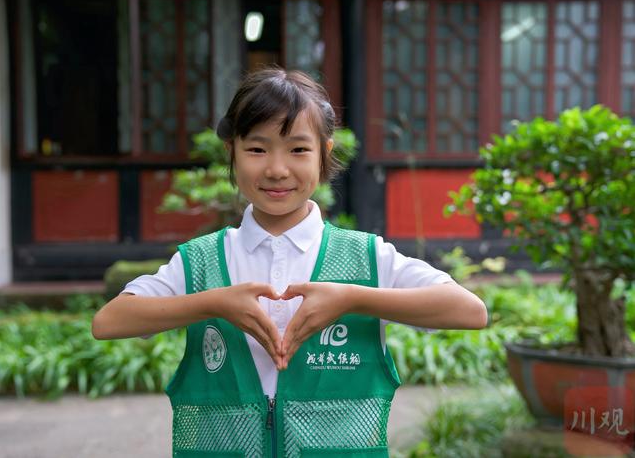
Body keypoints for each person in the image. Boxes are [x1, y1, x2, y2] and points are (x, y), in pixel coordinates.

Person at [92, 68, 487, 457]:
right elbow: (109, 322)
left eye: (298, 149)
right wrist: (213, 303)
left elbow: (469, 311)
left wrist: (352, 299)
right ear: (231, 152)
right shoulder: (201, 261)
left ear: (324, 153)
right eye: (257, 149)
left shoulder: (367, 258)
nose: (277, 169)